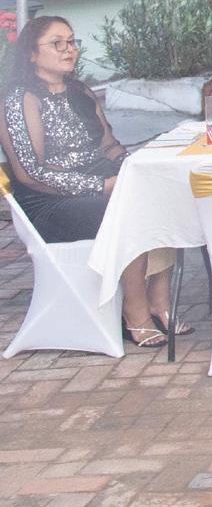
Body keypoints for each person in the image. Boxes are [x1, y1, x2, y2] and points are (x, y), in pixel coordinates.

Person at [0, 17, 183, 348]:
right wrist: (101, 186)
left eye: (72, 42)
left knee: (160, 195)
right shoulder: (20, 99)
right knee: (128, 209)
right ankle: (135, 314)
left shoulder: (80, 91)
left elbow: (110, 147)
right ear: (31, 53)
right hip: (51, 203)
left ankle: (159, 302)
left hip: (100, 185)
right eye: (57, 43)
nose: (68, 50)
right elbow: (31, 173)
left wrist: (134, 170)